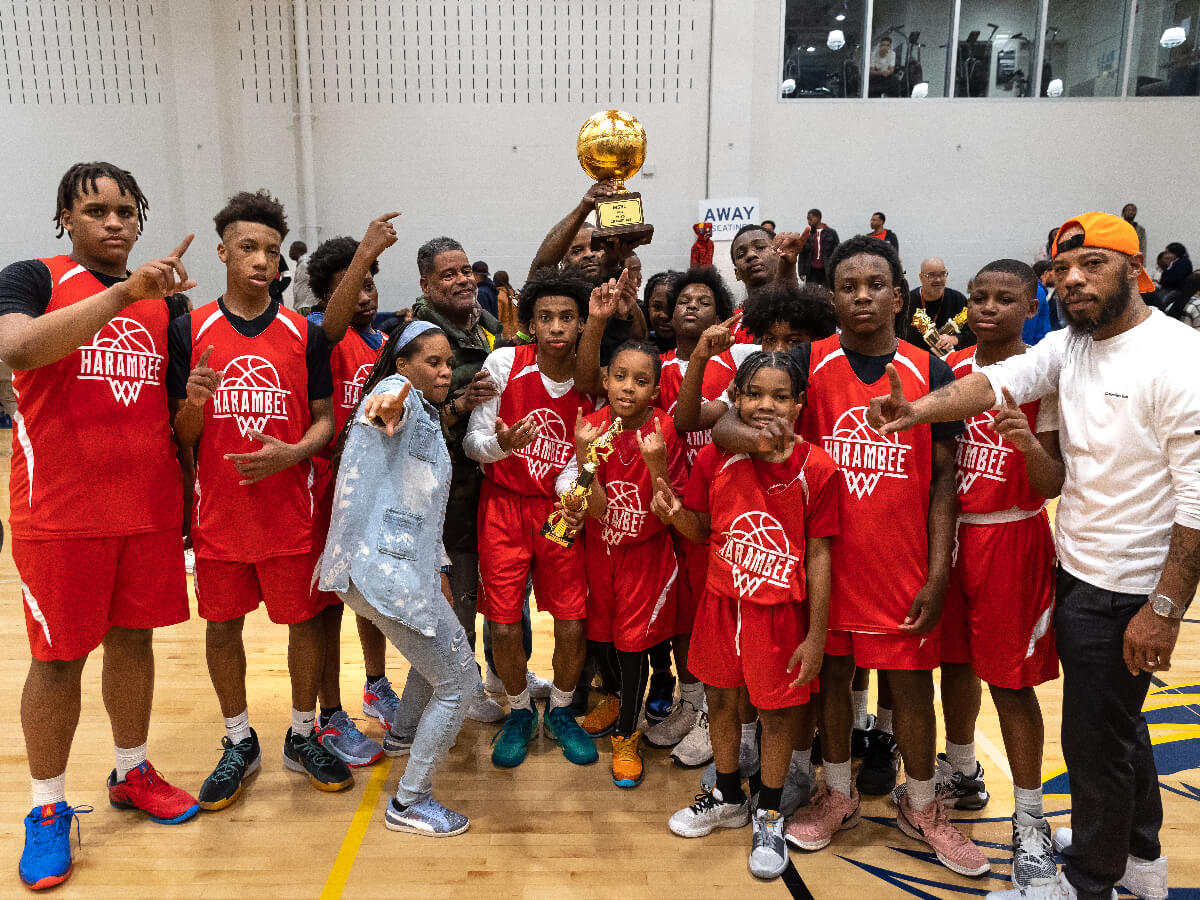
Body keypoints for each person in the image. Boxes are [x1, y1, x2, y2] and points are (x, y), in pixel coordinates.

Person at [868, 212, 1200, 900]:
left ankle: (1087, 882)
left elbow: (1198, 503)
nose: (1074, 281)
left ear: (1136, 271)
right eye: (1062, 271)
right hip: (1079, 566)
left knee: (1093, 742)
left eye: (1094, 266)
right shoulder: (1075, 345)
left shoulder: (1179, 357)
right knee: (1120, 727)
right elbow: (997, 381)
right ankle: (1139, 860)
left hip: (1130, 584)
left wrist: (1164, 608)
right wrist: (918, 411)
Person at [712, 236, 990, 879]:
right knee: (832, 681)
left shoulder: (931, 370)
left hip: (903, 564)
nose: (861, 296)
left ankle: (921, 804)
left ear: (899, 295)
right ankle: (838, 793)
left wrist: (941, 568)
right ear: (830, 297)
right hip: (821, 560)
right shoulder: (806, 362)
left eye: (874, 285)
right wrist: (759, 436)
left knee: (911, 687)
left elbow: (945, 478)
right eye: (847, 286)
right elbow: (723, 423)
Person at [0, 161, 199, 890]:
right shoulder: (32, 275)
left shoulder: (166, 306)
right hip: (58, 511)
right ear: (67, 219)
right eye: (96, 211)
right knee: (57, 661)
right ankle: (47, 809)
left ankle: (131, 769)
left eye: (126, 211)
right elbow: (17, 348)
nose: (114, 223)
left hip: (143, 508)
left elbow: (170, 410)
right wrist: (124, 293)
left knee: (133, 643)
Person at [169, 189, 351, 811]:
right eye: (248, 247)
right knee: (222, 626)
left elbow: (326, 421)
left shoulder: (307, 333)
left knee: (303, 624)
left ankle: (302, 734)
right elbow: (180, 436)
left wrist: (293, 453)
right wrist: (193, 403)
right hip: (218, 514)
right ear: (222, 251)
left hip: (289, 512)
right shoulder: (188, 328)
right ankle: (237, 738)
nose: (261, 259)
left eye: (271, 250)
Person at [659, 351, 840, 881]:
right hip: (721, 602)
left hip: (779, 614)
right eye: (755, 393)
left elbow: (820, 554)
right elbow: (701, 529)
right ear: (735, 399)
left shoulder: (818, 467)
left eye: (780, 396)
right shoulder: (717, 459)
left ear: (799, 404)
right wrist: (676, 515)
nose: (766, 405)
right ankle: (728, 795)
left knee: (776, 713)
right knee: (719, 698)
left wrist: (816, 633)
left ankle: (768, 811)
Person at [931, 259, 1064, 890]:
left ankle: (1031, 822)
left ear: (1031, 303)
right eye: (978, 297)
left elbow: (1053, 481)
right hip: (949, 537)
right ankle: (962, 769)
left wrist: (1029, 444)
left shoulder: (1044, 375)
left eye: (1003, 299)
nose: (986, 308)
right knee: (954, 663)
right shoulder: (952, 372)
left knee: (1011, 684)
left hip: (1012, 534)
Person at [319, 320, 477, 837]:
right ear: (403, 364)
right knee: (459, 681)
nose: (444, 371)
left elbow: (420, 504)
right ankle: (409, 802)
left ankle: (403, 734)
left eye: (448, 363)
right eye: (432, 362)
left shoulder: (429, 417)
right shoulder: (397, 395)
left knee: (432, 656)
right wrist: (388, 400)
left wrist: (439, 569)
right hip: (382, 571)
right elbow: (388, 401)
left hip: (396, 570)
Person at [464, 268, 599, 770]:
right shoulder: (503, 362)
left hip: (556, 513)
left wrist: (569, 493)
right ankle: (520, 711)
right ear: (532, 324)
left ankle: (561, 711)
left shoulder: (591, 378)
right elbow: (473, 441)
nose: (557, 326)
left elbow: (582, 456)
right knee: (501, 621)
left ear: (582, 324)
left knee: (571, 617)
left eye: (567, 317)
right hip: (503, 505)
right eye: (546, 317)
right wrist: (503, 445)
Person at [412, 238, 548, 712]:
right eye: (448, 274)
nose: (463, 279)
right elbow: (404, 419)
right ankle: (461, 685)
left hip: (493, 485)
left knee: (507, 592)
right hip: (444, 492)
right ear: (426, 284)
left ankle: (502, 672)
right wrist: (461, 403)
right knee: (460, 599)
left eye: (466, 270)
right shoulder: (416, 337)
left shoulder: (486, 326)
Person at [558, 338, 687, 789]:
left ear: (655, 390)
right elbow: (593, 509)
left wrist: (656, 464)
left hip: (645, 557)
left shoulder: (663, 430)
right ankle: (613, 700)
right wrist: (582, 455)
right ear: (606, 379)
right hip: (599, 550)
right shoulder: (591, 426)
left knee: (633, 648)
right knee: (599, 639)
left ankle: (626, 735)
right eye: (619, 376)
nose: (627, 387)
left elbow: (664, 507)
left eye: (641, 380)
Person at [302, 219, 404, 768]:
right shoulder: (320, 330)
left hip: (371, 488)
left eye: (370, 282)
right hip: (324, 489)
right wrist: (365, 250)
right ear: (326, 293)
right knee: (325, 606)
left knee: (367, 596)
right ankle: (328, 711)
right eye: (352, 282)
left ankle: (374, 684)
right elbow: (329, 334)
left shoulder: (382, 341)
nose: (365, 294)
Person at [904, 257, 974, 352]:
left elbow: (974, 334)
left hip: (950, 361)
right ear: (921, 277)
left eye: (942, 274)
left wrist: (955, 339)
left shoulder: (958, 299)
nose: (938, 279)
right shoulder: (907, 302)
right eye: (932, 275)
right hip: (915, 361)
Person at [796, 210, 839, 285]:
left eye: (810, 218)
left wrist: (837, 270)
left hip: (827, 270)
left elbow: (837, 252)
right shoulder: (807, 234)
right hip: (811, 270)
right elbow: (803, 254)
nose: (809, 221)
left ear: (818, 217)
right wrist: (801, 272)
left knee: (828, 293)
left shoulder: (831, 233)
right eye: (807, 219)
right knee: (810, 294)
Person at [643, 270, 679, 352]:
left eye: (673, 308)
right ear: (647, 307)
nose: (664, 315)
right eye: (657, 307)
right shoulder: (637, 348)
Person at [494, 269, 519, 340]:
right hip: (517, 336)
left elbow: (496, 320)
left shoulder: (498, 297)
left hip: (505, 338)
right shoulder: (514, 295)